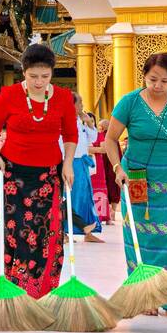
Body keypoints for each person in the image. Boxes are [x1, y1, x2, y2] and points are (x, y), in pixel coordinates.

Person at [101, 52, 167, 318]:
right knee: (141, 239)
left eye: (164, 81)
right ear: (144, 77)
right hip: (135, 178)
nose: (158, 85)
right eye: (152, 79)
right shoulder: (129, 102)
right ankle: (144, 298)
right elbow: (110, 139)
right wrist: (117, 168)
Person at [0, 43, 78, 298]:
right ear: (23, 72)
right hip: (14, 174)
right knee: (19, 233)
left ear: (52, 74)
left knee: (48, 233)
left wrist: (68, 162)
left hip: (49, 174)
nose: (39, 82)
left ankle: (44, 290)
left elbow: (70, 134)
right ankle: (17, 290)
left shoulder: (63, 98)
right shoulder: (8, 95)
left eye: (45, 76)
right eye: (33, 76)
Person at [68, 92, 103, 241]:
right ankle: (65, 231)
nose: (82, 105)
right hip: (71, 163)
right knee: (71, 197)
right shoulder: (65, 121)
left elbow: (93, 138)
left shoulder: (79, 120)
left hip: (81, 163)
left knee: (85, 196)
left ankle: (87, 232)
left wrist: (89, 123)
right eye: (79, 102)